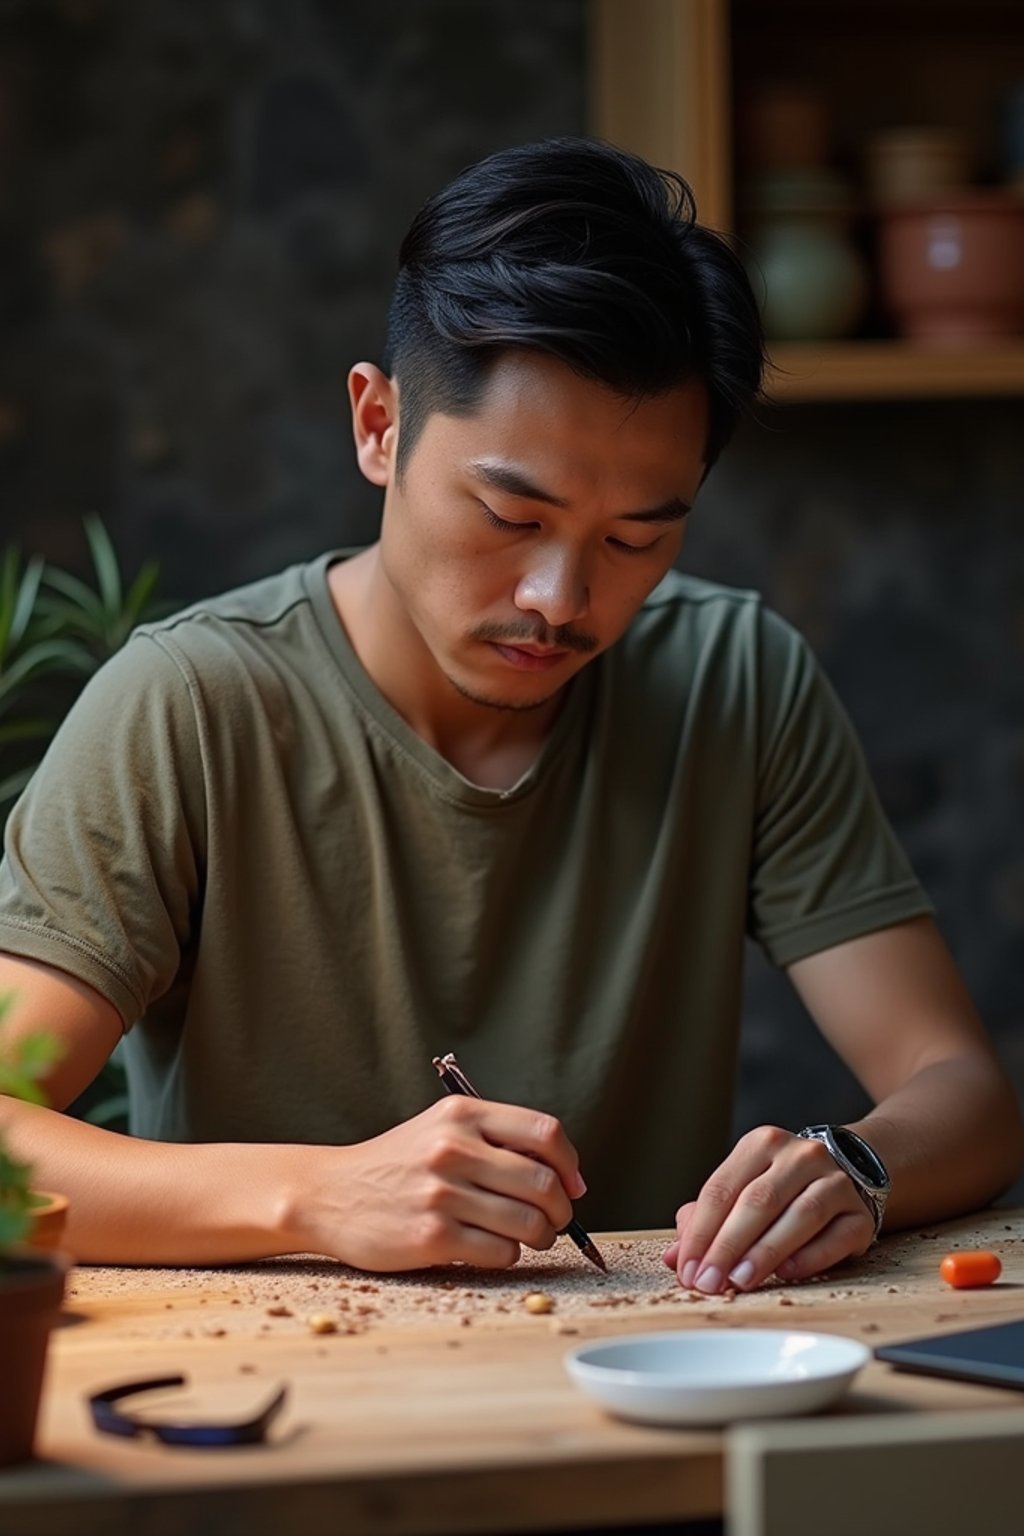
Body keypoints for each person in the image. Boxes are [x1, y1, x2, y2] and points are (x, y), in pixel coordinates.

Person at [0, 138, 1020, 1293]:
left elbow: (963, 1091)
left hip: (649, 1381)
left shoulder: (734, 681)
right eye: (508, 513)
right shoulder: (187, 707)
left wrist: (857, 1165)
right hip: (274, 1403)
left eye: (636, 538)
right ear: (378, 426)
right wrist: (319, 1194)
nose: (562, 600)